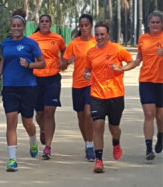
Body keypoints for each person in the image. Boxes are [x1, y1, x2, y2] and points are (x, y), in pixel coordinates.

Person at [0, 9, 45, 171]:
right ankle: (12, 159)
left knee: (27, 122)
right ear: (11, 27)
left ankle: (33, 139)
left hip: (28, 87)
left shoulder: (31, 43)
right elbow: (4, 59)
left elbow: (42, 63)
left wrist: (29, 65)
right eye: (13, 26)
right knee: (11, 122)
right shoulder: (5, 43)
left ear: (23, 27)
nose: (16, 28)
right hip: (10, 87)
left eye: (19, 26)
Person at [83, 21, 136, 173]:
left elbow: (132, 62)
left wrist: (121, 68)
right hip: (97, 94)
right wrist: (86, 75)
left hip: (115, 94)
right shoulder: (91, 52)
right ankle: (98, 160)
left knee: (114, 128)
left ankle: (116, 141)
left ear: (108, 35)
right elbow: (87, 70)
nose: (99, 37)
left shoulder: (117, 49)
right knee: (98, 126)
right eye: (97, 34)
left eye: (102, 34)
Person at [29, 14, 66, 160]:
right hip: (36, 78)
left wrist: (63, 61)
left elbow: (65, 50)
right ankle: (43, 129)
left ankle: (48, 147)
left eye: (47, 22)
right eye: (42, 22)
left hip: (52, 78)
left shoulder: (57, 38)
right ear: (39, 23)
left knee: (49, 111)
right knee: (39, 114)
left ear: (50, 24)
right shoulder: (32, 38)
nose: (44, 24)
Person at [62, 14, 97, 161]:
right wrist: (68, 62)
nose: (83, 28)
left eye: (86, 25)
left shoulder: (97, 42)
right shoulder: (74, 44)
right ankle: (87, 142)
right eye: (81, 25)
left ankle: (90, 146)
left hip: (93, 84)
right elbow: (62, 66)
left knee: (89, 114)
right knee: (81, 116)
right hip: (77, 84)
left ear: (91, 26)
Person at [135, 11, 163, 160]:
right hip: (146, 80)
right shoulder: (143, 39)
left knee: (160, 115)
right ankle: (148, 148)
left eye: (158, 22)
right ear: (148, 23)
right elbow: (138, 58)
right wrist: (122, 68)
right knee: (149, 114)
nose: (155, 24)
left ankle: (160, 135)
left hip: (161, 82)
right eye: (153, 22)